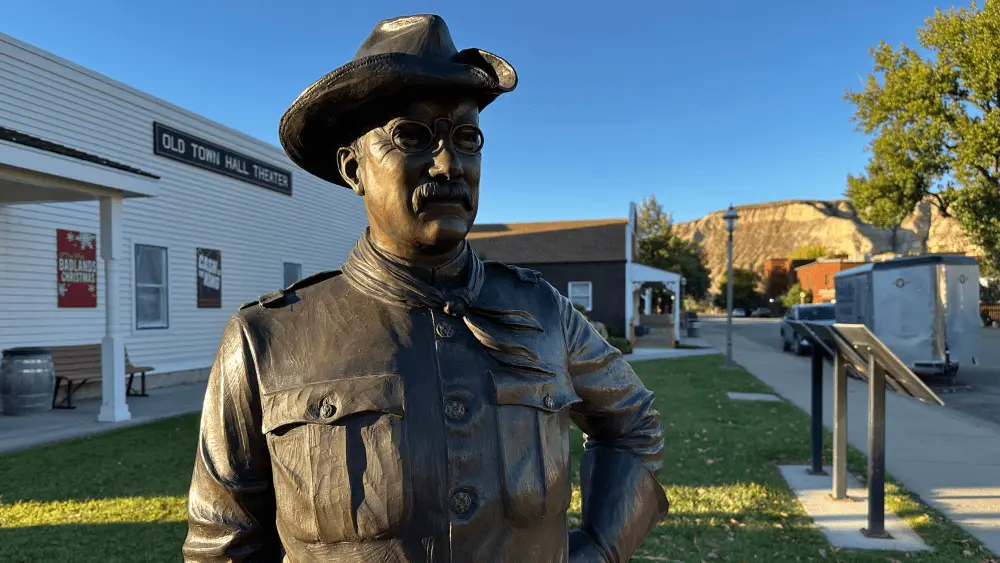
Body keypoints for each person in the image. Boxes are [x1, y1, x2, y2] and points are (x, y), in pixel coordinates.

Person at [182, 14, 668, 563]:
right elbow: (222, 544)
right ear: (353, 167)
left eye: (468, 138)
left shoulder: (544, 313)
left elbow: (634, 425)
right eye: (412, 137)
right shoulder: (265, 340)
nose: (449, 164)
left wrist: (602, 547)